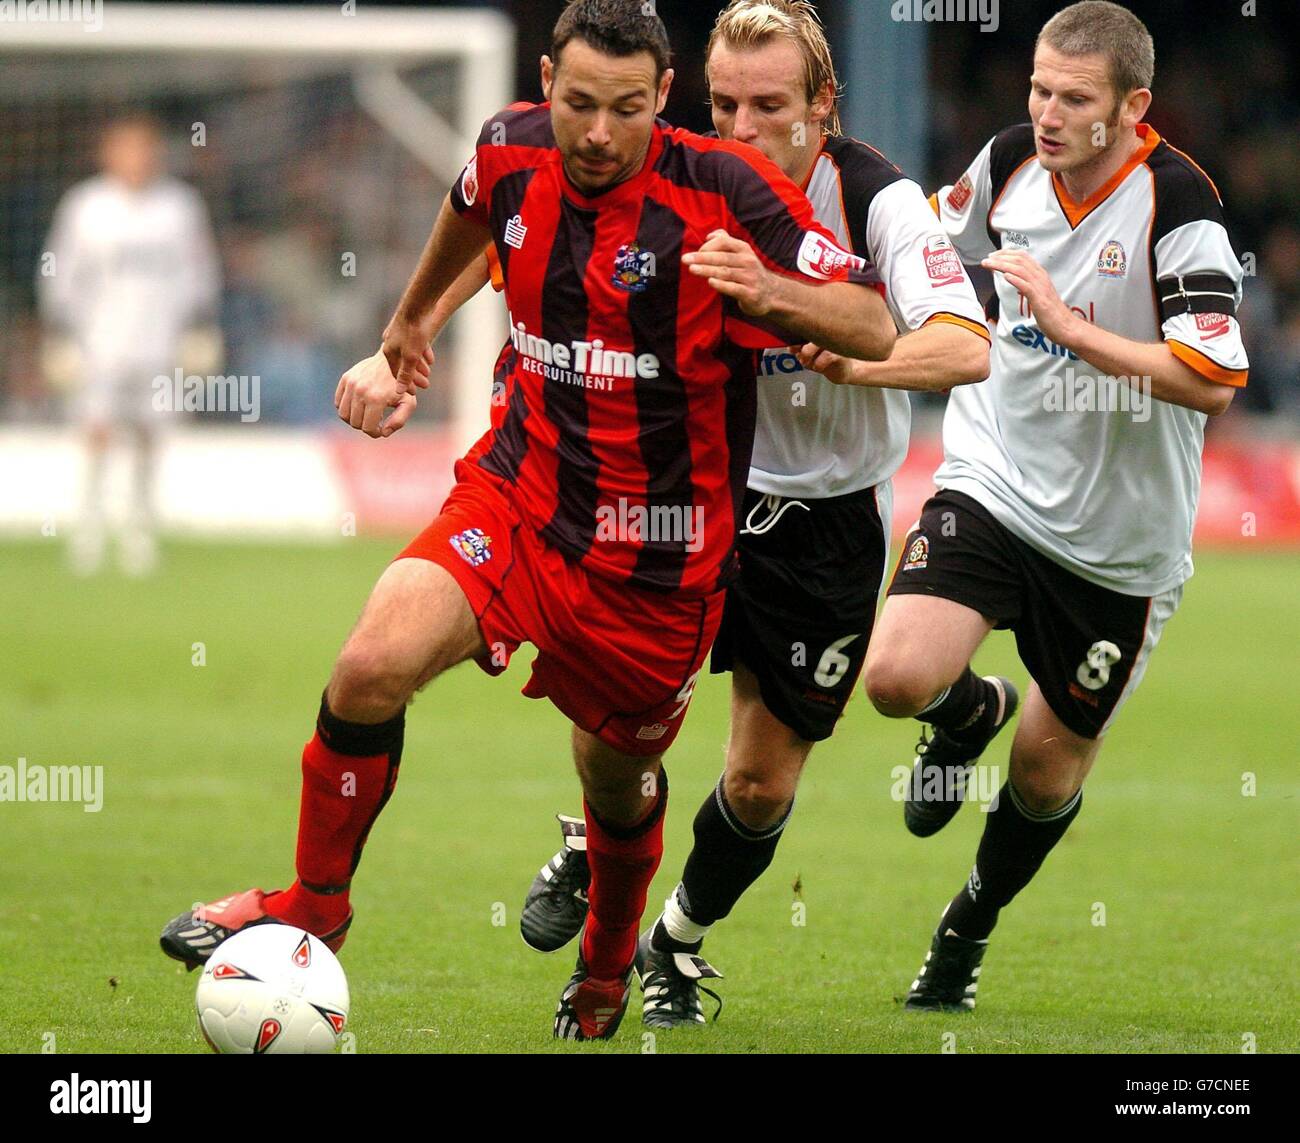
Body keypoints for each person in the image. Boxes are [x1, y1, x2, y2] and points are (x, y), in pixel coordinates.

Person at [158, 0, 895, 1043]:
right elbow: (467, 206)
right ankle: (314, 907)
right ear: (547, 80)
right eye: (579, 104)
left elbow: (870, 320)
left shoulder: (729, 192)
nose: (597, 134)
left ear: (663, 98)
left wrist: (773, 295)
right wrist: (405, 327)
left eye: (627, 111)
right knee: (369, 668)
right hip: (518, 498)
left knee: (618, 777)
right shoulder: (509, 147)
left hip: (657, 568)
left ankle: (604, 970)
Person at [513, 0, 992, 1029]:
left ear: (822, 103)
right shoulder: (669, 177)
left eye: (768, 105)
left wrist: (856, 348)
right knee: (627, 726)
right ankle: (593, 846)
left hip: (823, 519)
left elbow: (966, 346)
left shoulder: (879, 201)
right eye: (722, 104)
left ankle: (673, 943)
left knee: (761, 785)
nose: (740, 128)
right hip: (685, 498)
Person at [860, 0, 1248, 1011]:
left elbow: (1209, 379)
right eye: (1038, 88)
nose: (1045, 111)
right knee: (895, 676)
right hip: (992, 483)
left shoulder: (1179, 205)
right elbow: (919, 265)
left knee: (1041, 776)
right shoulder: (1000, 168)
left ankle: (967, 927)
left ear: (1131, 107)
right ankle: (964, 710)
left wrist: (1068, 327)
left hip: (1119, 549)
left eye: (1072, 98)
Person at [38, 114, 221, 575]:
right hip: (98, 342)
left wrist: (200, 325)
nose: (136, 159)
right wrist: (59, 330)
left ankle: (140, 530)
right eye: (126, 149)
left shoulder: (180, 206)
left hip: (161, 342)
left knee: (148, 435)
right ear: (108, 154)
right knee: (96, 432)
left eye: (144, 149)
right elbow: (60, 271)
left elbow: (199, 270)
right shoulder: (85, 206)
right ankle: (90, 529)